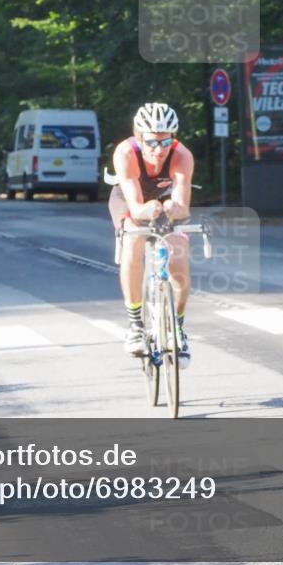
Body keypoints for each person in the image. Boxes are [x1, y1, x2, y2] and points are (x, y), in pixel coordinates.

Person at [108, 103, 195, 368]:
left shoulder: (182, 156)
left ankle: (177, 327)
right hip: (131, 198)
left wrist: (172, 208)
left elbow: (182, 205)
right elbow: (135, 206)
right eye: (151, 142)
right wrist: (148, 209)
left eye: (165, 141)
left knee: (178, 259)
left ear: (174, 137)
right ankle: (135, 325)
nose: (159, 149)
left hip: (164, 198)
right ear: (138, 136)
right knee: (133, 241)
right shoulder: (125, 153)